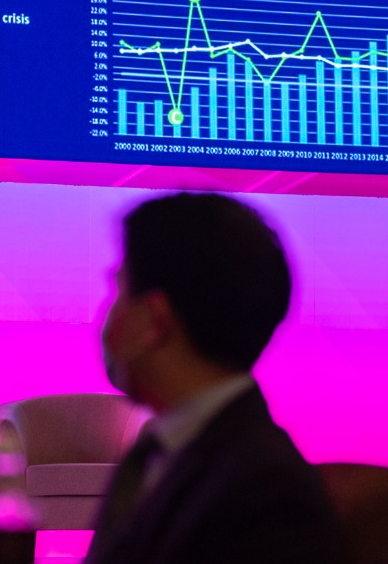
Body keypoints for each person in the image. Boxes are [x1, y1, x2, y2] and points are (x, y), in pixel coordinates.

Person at [85, 191, 339, 564]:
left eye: (118, 291)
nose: (107, 317)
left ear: (154, 320)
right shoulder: (160, 452)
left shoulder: (266, 495)